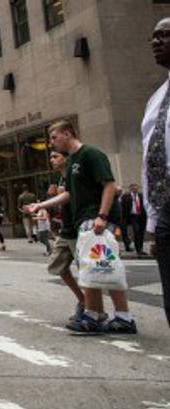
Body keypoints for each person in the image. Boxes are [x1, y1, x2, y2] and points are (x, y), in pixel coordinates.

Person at [26, 120, 137, 334]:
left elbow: (110, 185)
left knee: (104, 265)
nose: (51, 143)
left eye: (54, 137)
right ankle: (97, 315)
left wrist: (102, 216)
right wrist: (40, 205)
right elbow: (69, 194)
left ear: (68, 134)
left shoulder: (90, 154)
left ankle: (116, 317)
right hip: (85, 221)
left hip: (96, 219)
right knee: (95, 267)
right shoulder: (72, 161)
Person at [143, 17, 170, 327]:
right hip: (166, 211)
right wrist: (153, 220)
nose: (155, 41)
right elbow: (151, 159)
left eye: (164, 35)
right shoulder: (156, 99)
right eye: (153, 36)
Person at [42, 150, 87, 322]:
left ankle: (91, 308)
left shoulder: (73, 176)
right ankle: (83, 299)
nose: (51, 160)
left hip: (77, 229)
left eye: (55, 156)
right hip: (65, 229)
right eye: (51, 157)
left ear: (66, 158)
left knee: (87, 271)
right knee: (57, 265)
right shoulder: (61, 178)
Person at [126, 184, 148, 256]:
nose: (135, 190)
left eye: (136, 188)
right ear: (130, 189)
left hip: (141, 216)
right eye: (133, 188)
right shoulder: (127, 196)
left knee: (141, 233)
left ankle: (140, 249)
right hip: (133, 216)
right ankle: (138, 249)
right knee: (136, 231)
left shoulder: (141, 196)